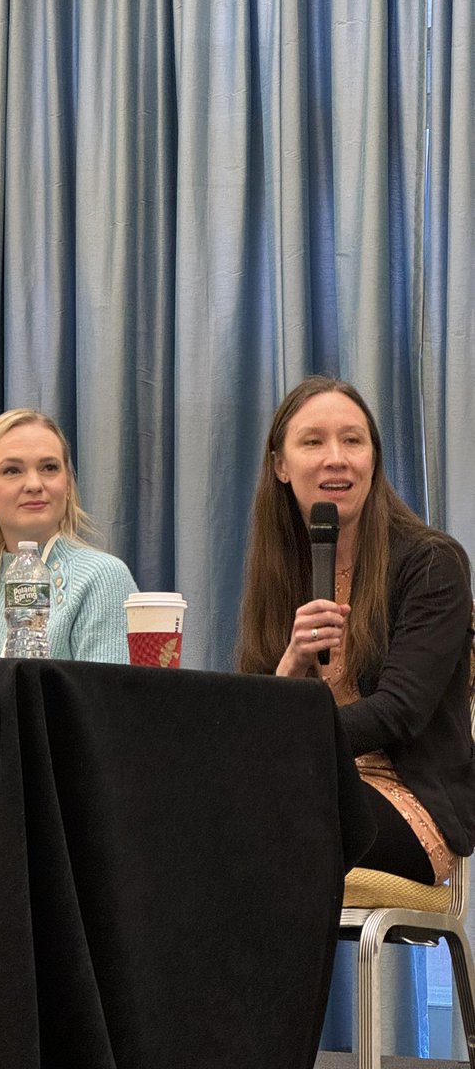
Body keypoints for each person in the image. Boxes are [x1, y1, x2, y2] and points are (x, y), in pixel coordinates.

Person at [237, 376, 474, 884]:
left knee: (255, 816)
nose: (336, 458)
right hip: (307, 783)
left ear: (373, 459)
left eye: (352, 440)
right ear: (280, 465)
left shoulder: (432, 563)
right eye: (313, 441)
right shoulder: (282, 573)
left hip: (409, 806)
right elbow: (256, 716)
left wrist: (286, 739)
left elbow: (400, 712)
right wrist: (289, 667)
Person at [0, 409, 137, 662]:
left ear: (68, 485)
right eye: (12, 470)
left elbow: (108, 698)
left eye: (49, 468)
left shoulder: (102, 578)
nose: (34, 484)